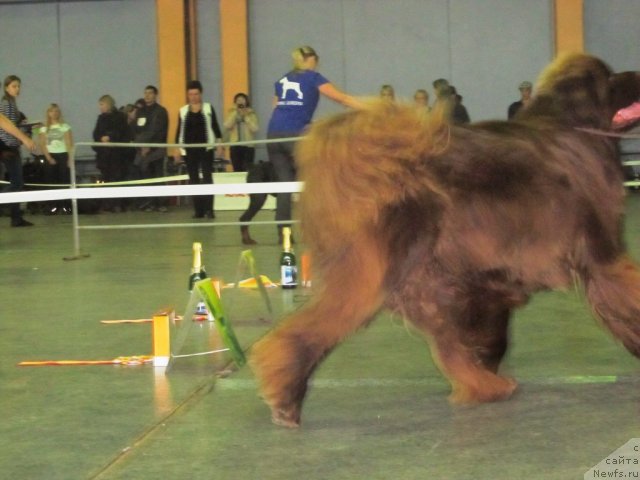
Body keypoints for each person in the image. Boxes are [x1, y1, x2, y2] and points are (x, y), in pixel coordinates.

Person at [266, 45, 363, 242]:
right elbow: (342, 99)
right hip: (294, 135)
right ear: (312, 59)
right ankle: (323, 229)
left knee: (285, 185)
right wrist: (373, 108)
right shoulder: (313, 77)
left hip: (273, 134)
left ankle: (283, 234)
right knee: (318, 178)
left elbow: (276, 106)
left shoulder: (283, 79)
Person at [173, 80, 223, 219]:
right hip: (189, 150)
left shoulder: (208, 108)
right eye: (191, 94)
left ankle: (209, 210)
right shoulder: (182, 111)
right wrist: (177, 149)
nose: (193, 97)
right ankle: (198, 211)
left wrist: (219, 144)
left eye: (196, 94)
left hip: (206, 149)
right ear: (188, 95)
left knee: (207, 178)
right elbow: (179, 131)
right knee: (193, 179)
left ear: (200, 94)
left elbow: (215, 126)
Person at [0, 75, 37, 227]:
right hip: (7, 147)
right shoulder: (6, 104)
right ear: (7, 87)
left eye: (18, 86)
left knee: (17, 182)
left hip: (11, 145)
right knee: (16, 182)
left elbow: (11, 124)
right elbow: (5, 126)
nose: (17, 89)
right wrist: (22, 138)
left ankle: (16, 216)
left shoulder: (11, 103)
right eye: (14, 86)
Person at [133, 85, 169, 212]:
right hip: (142, 151)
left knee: (158, 176)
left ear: (155, 95)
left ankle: (161, 203)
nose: (147, 96)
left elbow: (161, 131)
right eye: (145, 93)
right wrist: (141, 146)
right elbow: (136, 129)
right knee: (146, 177)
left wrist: (150, 146)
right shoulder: (140, 112)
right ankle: (149, 203)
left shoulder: (161, 111)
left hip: (157, 151)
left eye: (150, 93)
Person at [92, 94, 130, 212]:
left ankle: (118, 203)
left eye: (102, 104)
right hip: (104, 155)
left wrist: (110, 137)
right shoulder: (100, 118)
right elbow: (95, 134)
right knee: (106, 179)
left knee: (117, 178)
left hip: (117, 155)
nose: (100, 107)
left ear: (108, 104)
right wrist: (101, 138)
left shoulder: (120, 117)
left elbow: (123, 133)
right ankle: (107, 203)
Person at [39, 103, 73, 215]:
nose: (55, 113)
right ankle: (53, 206)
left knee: (64, 181)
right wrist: (49, 158)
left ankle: (66, 206)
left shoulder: (65, 127)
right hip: (50, 155)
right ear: (48, 113)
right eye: (52, 111)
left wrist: (69, 158)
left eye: (57, 111)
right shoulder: (44, 129)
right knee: (51, 181)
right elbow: (43, 145)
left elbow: (69, 143)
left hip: (63, 155)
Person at [223, 92, 259, 172]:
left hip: (248, 146)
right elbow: (227, 125)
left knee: (248, 170)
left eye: (242, 99)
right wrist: (236, 113)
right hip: (235, 146)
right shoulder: (232, 112)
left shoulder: (251, 113)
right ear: (235, 102)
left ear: (246, 102)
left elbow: (255, 128)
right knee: (237, 170)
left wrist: (246, 116)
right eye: (238, 100)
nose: (240, 102)